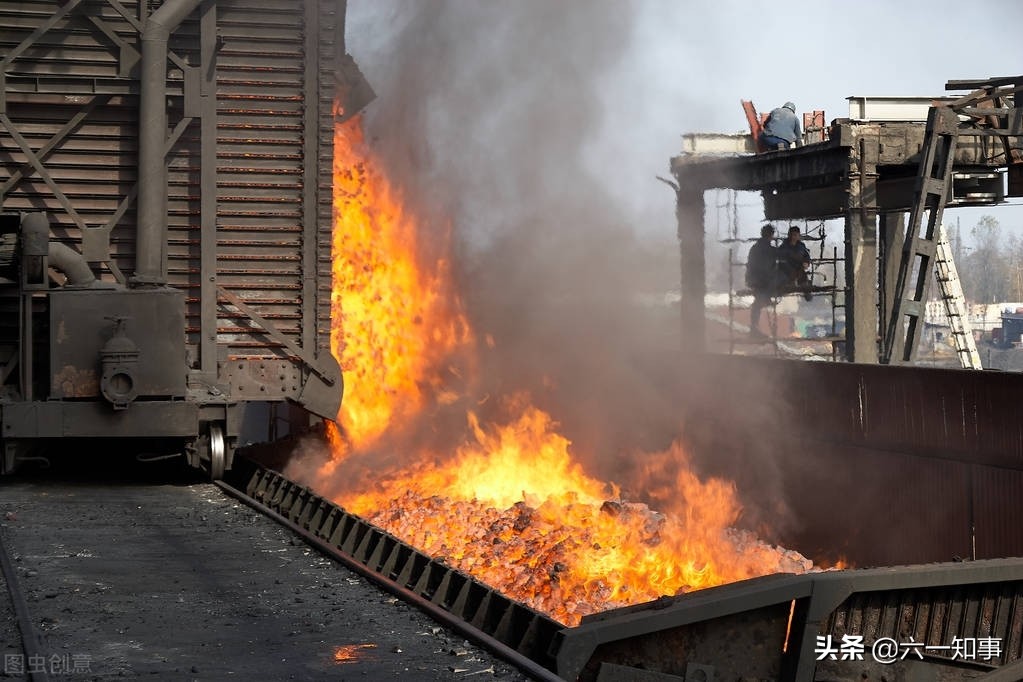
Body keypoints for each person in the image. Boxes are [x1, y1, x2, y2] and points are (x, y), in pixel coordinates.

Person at [746, 224, 783, 339]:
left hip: (753, 279)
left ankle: (754, 328)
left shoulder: (755, 247)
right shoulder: (768, 249)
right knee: (758, 302)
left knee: (758, 303)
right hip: (761, 281)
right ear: (771, 235)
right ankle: (754, 330)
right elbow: (767, 267)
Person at [777, 226, 814, 301]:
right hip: (786, 272)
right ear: (789, 235)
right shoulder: (783, 247)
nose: (794, 237)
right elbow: (781, 261)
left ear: (798, 236)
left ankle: (807, 293)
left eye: (796, 235)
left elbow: (806, 256)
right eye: (793, 235)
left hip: (799, 270)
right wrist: (790, 270)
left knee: (805, 285)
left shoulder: (801, 246)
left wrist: (806, 262)